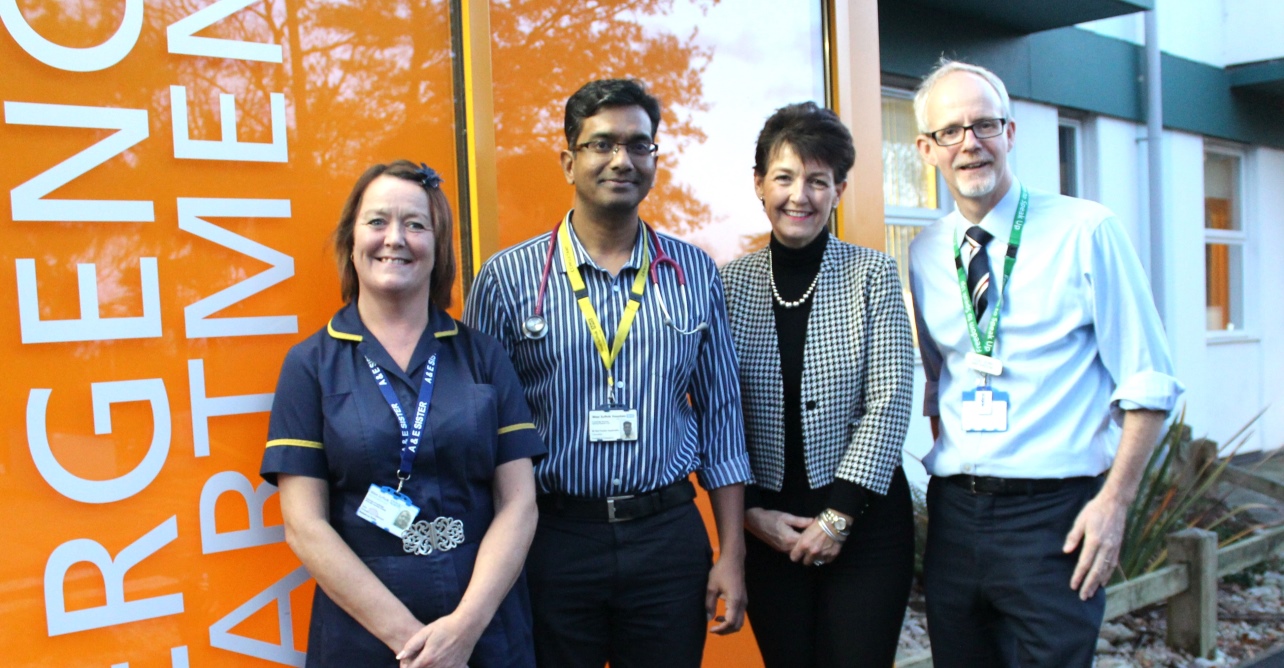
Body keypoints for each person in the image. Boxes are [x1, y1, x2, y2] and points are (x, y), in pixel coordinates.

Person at [464, 79, 751, 668]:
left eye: (637, 145)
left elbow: (722, 414)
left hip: (666, 538)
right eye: (601, 145)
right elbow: (479, 427)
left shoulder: (693, 272)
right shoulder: (507, 280)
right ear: (569, 160)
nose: (622, 159)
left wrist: (732, 554)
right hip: (553, 540)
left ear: (653, 159)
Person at [907, 60, 1184, 667]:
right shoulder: (925, 252)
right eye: (950, 131)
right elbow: (940, 382)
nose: (970, 143)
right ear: (928, 149)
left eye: (984, 124)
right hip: (956, 517)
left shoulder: (1087, 230)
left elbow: (1148, 382)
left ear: (1010, 133)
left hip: (1055, 519)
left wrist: (1113, 505)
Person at [261, 160, 544, 668]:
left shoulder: (484, 356)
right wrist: (415, 645)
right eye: (377, 221)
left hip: (483, 625)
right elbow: (304, 526)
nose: (395, 238)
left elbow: (519, 505)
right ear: (352, 240)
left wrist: (463, 631)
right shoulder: (310, 365)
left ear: (438, 248)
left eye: (416, 224)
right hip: (364, 635)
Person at [720, 102, 916, 667]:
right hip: (768, 531)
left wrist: (837, 518)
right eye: (783, 177)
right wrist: (751, 513)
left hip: (866, 528)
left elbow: (890, 400)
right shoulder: (729, 285)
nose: (798, 195)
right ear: (759, 184)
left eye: (817, 180)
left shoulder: (872, 273)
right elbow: (719, 409)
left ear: (839, 190)